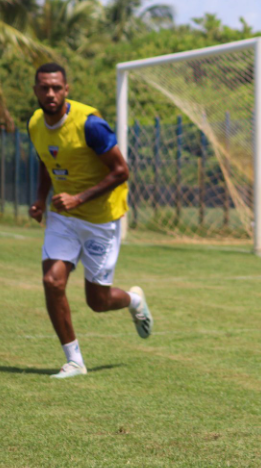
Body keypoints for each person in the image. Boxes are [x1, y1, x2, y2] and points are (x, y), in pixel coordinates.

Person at [27, 62, 153, 379]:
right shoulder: (35, 124)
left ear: (66, 89)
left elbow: (122, 171)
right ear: (36, 91)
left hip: (100, 219)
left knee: (97, 301)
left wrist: (79, 198)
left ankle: (134, 301)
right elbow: (46, 159)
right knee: (52, 282)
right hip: (63, 217)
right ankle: (74, 361)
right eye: (44, 87)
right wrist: (40, 199)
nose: (51, 93)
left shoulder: (91, 125)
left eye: (57, 87)